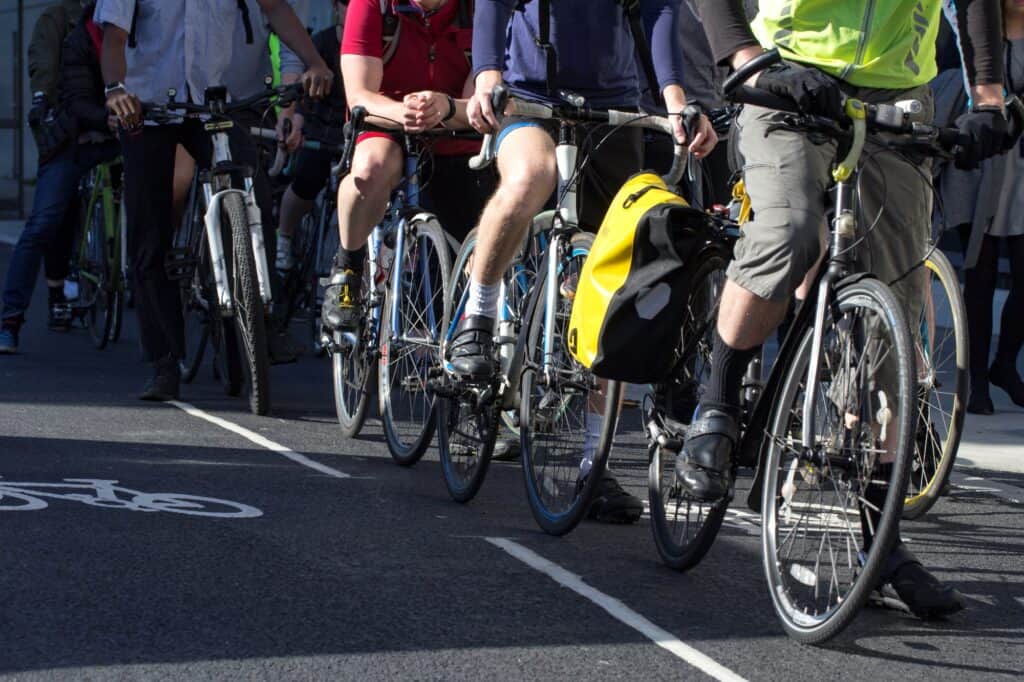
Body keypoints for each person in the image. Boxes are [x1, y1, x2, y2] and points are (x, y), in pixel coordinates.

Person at [687, 0, 1014, 618]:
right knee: (788, 234)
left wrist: (990, 98)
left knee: (892, 313)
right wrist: (747, 57)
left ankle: (883, 543)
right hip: (785, 75)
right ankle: (718, 403)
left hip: (897, 92)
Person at [459, 0, 717, 523]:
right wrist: (488, 76)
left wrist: (673, 99)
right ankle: (478, 315)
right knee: (531, 176)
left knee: (613, 274)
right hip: (529, 97)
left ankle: (592, 465)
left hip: (612, 104)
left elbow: (657, 9)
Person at [97, 0, 333, 401]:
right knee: (148, 234)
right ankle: (163, 361)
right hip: (150, 108)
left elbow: (276, 9)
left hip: (214, 105)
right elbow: (114, 38)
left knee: (252, 189)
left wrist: (315, 61)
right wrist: (116, 89)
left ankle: (265, 319)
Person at [322, 0, 493, 331]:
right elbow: (359, 96)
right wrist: (401, 112)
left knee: (482, 235)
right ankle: (348, 272)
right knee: (372, 167)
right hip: (386, 122)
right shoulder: (373, 5)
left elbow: (479, 102)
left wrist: (444, 107)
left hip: (456, 130)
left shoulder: (479, 9)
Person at [1, 0, 119, 354]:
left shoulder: (136, 26)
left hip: (119, 136)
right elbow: (46, 72)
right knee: (45, 221)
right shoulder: (69, 25)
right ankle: (10, 319)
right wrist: (43, 103)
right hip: (71, 135)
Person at [942, 0, 1024, 413]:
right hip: (977, 170)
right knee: (980, 274)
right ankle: (975, 380)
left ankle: (1005, 362)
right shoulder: (971, 34)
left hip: (1020, 175)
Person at [276, 0, 349, 273]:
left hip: (353, 133)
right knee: (306, 178)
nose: (350, 8)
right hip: (319, 129)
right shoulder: (322, 43)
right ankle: (284, 236)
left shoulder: (376, 45)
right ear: (334, 7)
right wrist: (295, 122)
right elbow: (302, 98)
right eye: (345, 3)